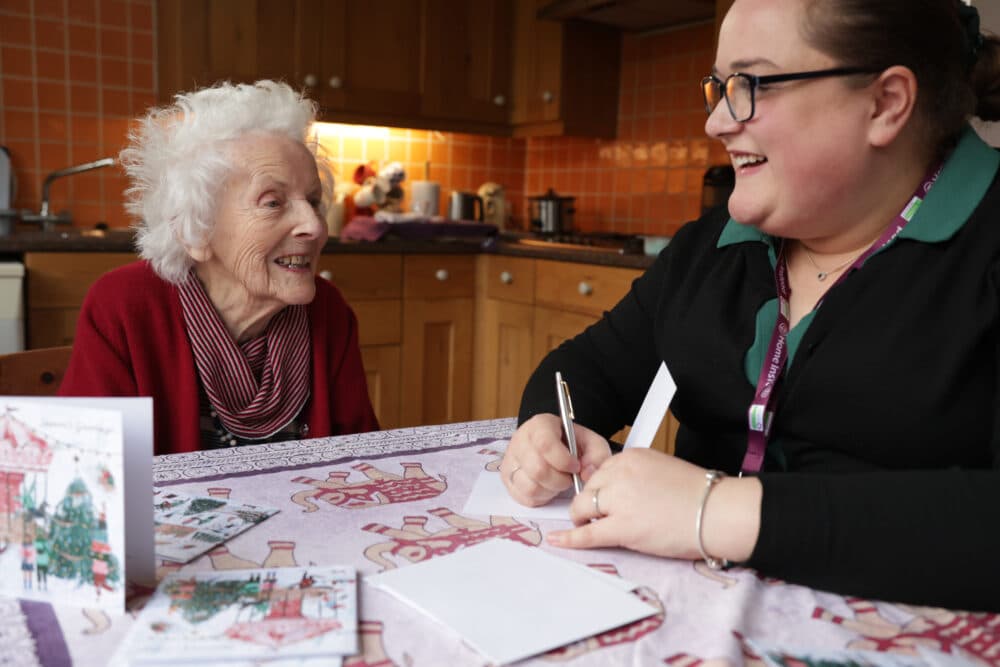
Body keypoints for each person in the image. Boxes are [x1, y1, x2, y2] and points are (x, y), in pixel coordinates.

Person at [502, 0, 1000, 612]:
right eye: (719, 87)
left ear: (885, 103)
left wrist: (713, 509)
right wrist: (545, 430)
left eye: (751, 85)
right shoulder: (711, 247)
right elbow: (587, 369)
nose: (714, 122)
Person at [59, 81, 379, 455]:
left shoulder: (329, 311)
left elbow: (361, 458)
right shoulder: (125, 307)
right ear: (196, 230)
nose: (315, 225)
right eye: (273, 202)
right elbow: (84, 477)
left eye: (313, 200)